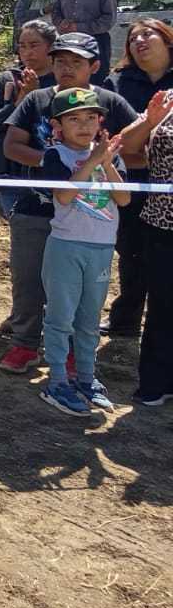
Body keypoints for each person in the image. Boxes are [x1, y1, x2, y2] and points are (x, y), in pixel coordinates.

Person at [0, 33, 138, 375]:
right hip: (37, 208)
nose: (66, 68)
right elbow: (12, 146)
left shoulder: (109, 102)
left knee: (81, 289)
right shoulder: (37, 99)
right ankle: (25, 344)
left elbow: (131, 143)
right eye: (60, 61)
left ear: (94, 66)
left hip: (90, 216)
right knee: (28, 278)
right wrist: (56, 165)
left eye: (76, 62)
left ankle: (76, 351)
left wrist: (101, 160)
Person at [35, 89, 130, 416]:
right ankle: (57, 380)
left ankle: (87, 378)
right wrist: (92, 161)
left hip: (102, 248)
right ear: (57, 125)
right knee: (61, 315)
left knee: (89, 317)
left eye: (91, 117)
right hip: (66, 246)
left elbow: (124, 200)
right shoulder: (55, 155)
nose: (84, 124)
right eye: (74, 118)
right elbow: (63, 196)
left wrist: (107, 162)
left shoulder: (110, 155)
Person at [101, 18, 173, 338]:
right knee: (130, 251)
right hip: (127, 178)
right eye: (132, 38)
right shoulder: (116, 82)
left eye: (148, 34)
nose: (139, 41)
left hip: (166, 189)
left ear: (167, 40)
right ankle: (126, 320)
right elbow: (113, 138)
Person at [118, 88, 173, 406]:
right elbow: (126, 147)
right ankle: (156, 382)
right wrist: (150, 120)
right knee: (163, 306)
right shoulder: (167, 100)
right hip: (161, 224)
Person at [0, 20, 58, 220]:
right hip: (13, 169)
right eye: (22, 46)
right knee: (21, 229)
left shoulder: (62, 80)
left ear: (51, 47)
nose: (27, 52)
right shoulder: (9, 78)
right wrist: (19, 102)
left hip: (53, 171)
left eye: (34, 45)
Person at [50, 0, 116, 83]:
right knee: (69, 80)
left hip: (96, 42)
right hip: (69, 42)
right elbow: (55, 11)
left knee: (96, 82)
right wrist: (60, 23)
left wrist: (79, 27)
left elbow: (108, 20)